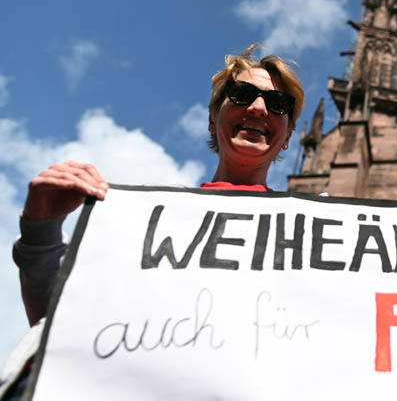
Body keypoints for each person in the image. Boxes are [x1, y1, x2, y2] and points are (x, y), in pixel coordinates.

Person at [2, 44, 303, 399]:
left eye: (277, 104)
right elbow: (61, 323)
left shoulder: (311, 236)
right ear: (212, 118)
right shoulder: (137, 218)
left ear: (288, 135)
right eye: (241, 94)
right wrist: (41, 228)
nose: (258, 108)